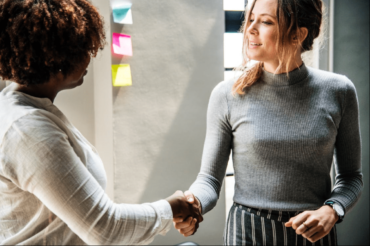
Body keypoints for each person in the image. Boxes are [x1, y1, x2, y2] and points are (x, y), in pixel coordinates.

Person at [0, 0, 202, 245]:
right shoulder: (29, 132)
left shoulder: (21, 106)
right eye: (83, 49)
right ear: (57, 58)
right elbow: (104, 229)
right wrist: (172, 207)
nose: (90, 56)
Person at [174, 0, 363, 245]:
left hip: (313, 236)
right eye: (250, 19)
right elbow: (209, 180)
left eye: (265, 22)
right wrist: (194, 203)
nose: (250, 29)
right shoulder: (227, 94)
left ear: (298, 35)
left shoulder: (339, 91)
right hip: (246, 233)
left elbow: (351, 178)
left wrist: (332, 210)